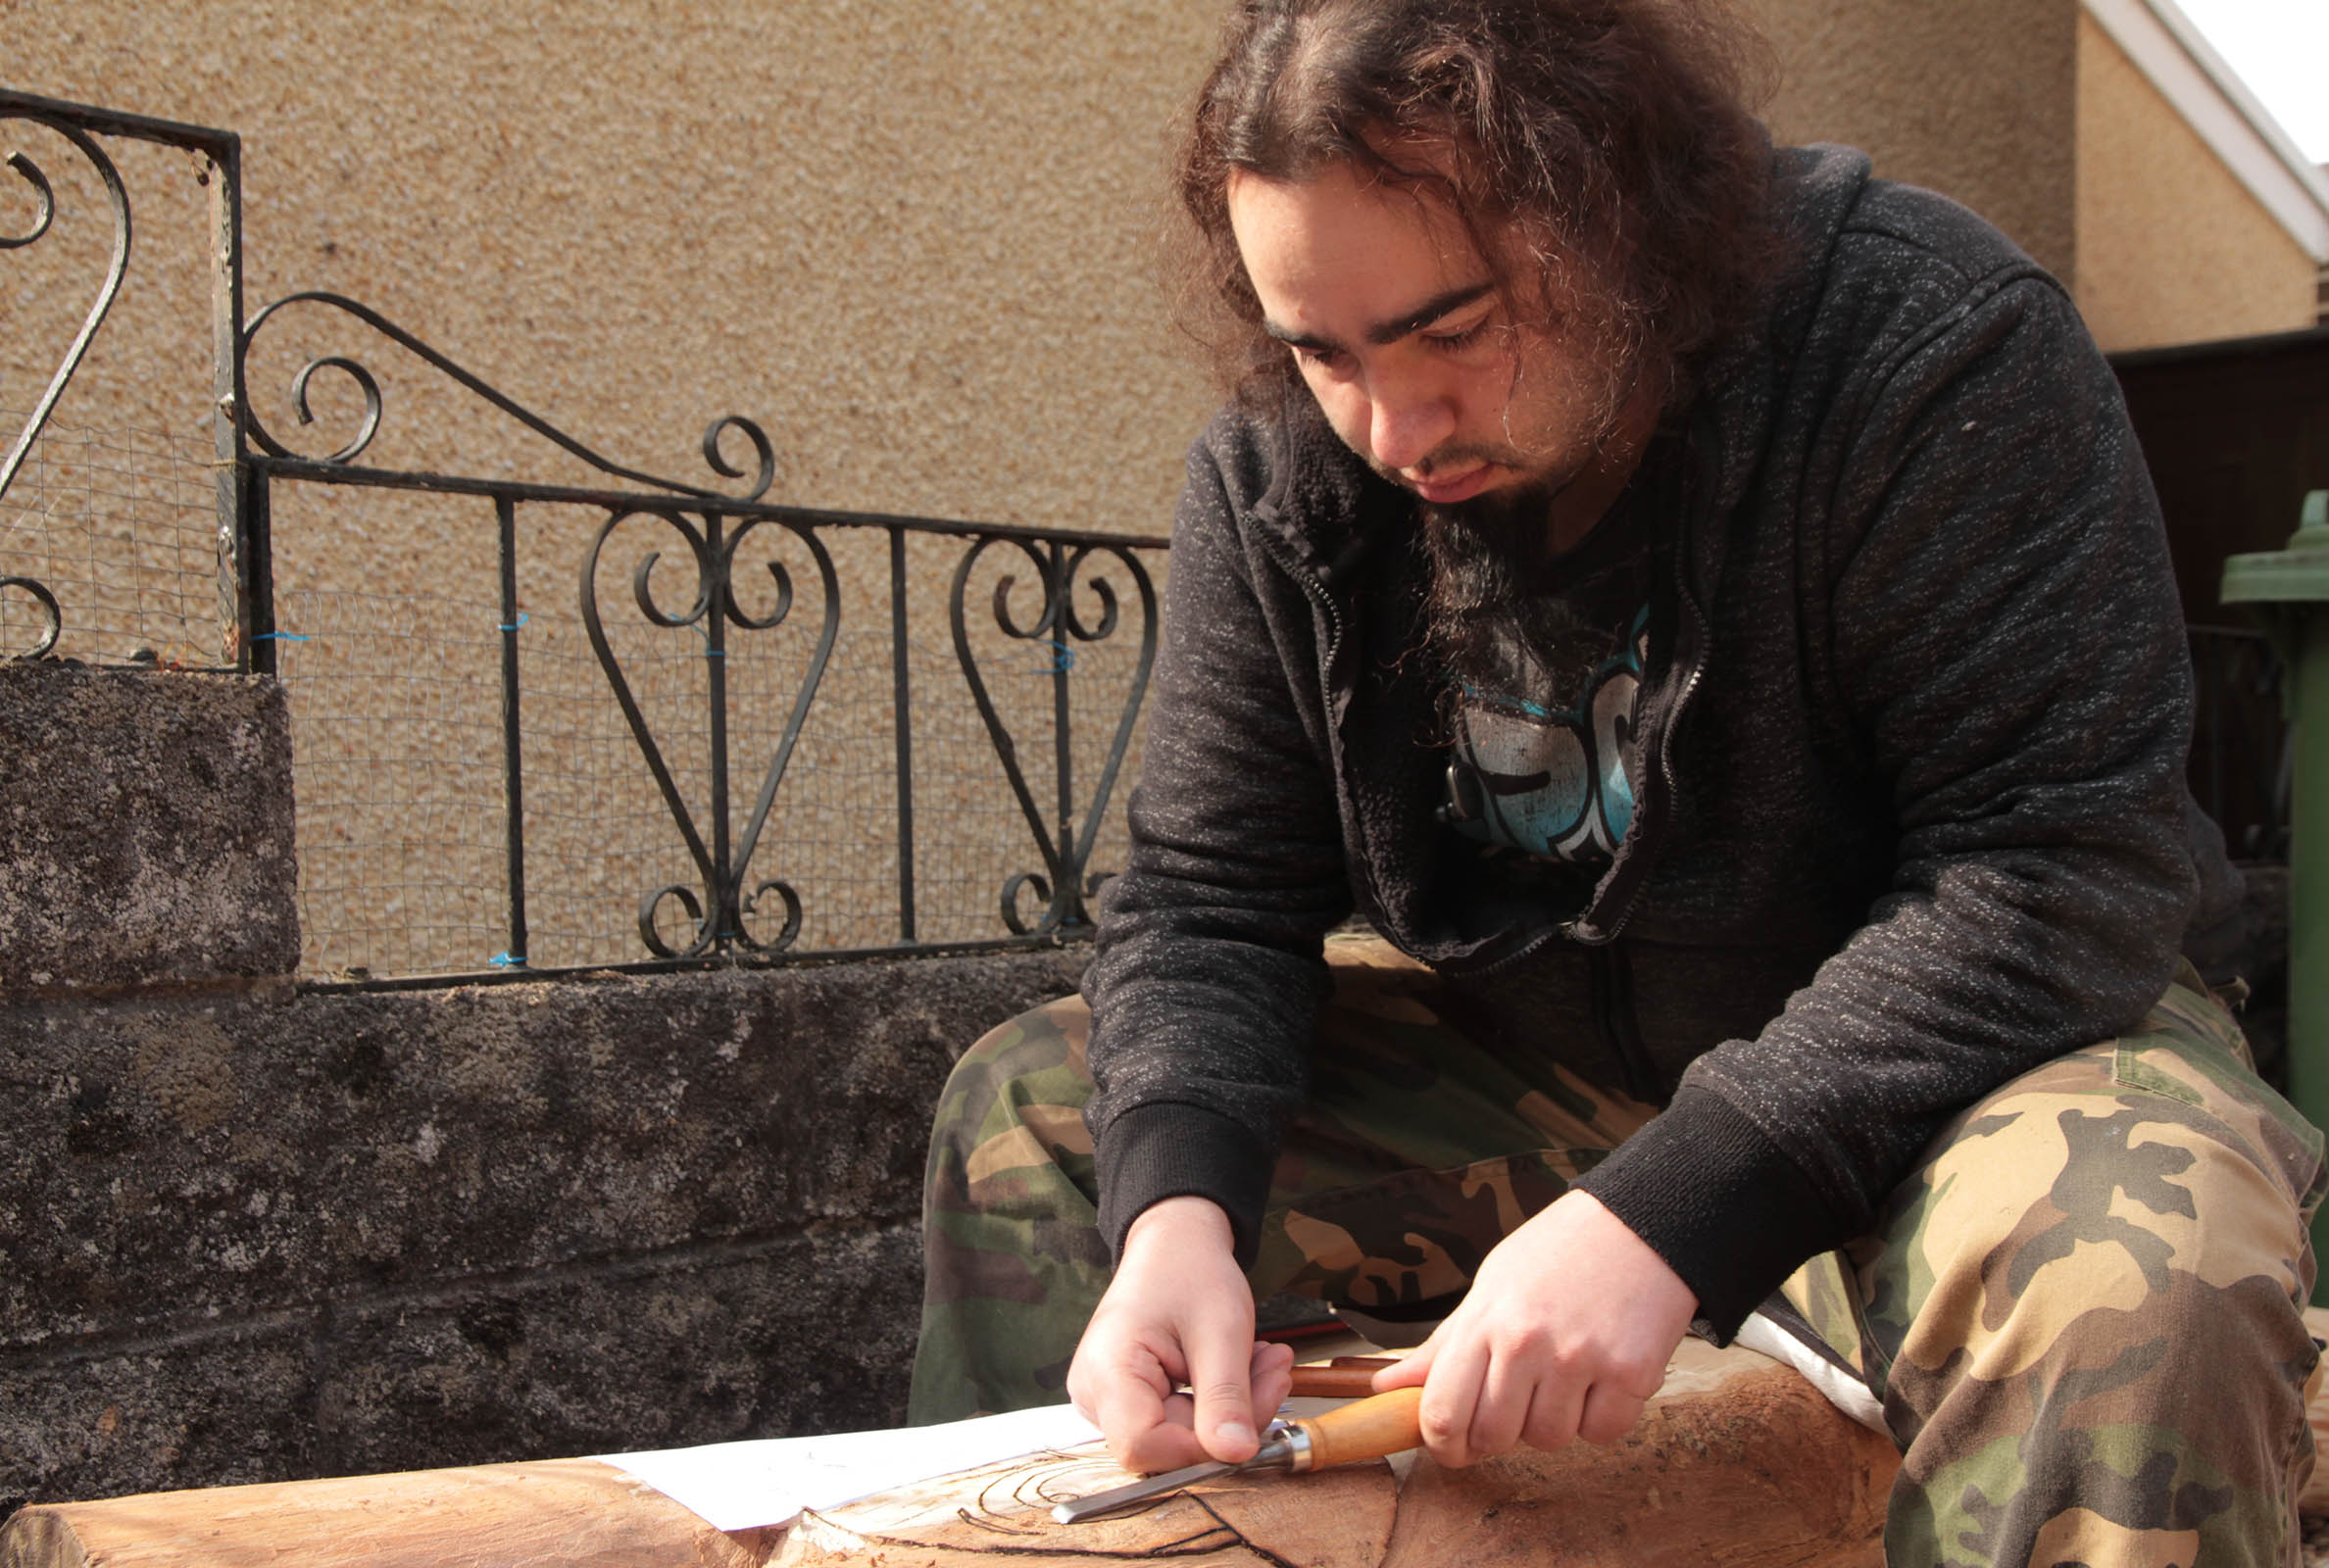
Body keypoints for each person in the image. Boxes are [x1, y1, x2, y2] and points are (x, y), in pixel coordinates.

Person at [910, 1, 2326, 1560]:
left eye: (1452, 329)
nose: (1394, 426)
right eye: (1322, 349)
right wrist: (1173, 1216)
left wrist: (1677, 1209)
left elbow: (2061, 872)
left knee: (2146, 1264)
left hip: (1975, 1073)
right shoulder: (1280, 473)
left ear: (1622, 216)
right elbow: (1211, 897)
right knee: (1040, 1109)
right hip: (1545, 1072)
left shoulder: (1930, 345)